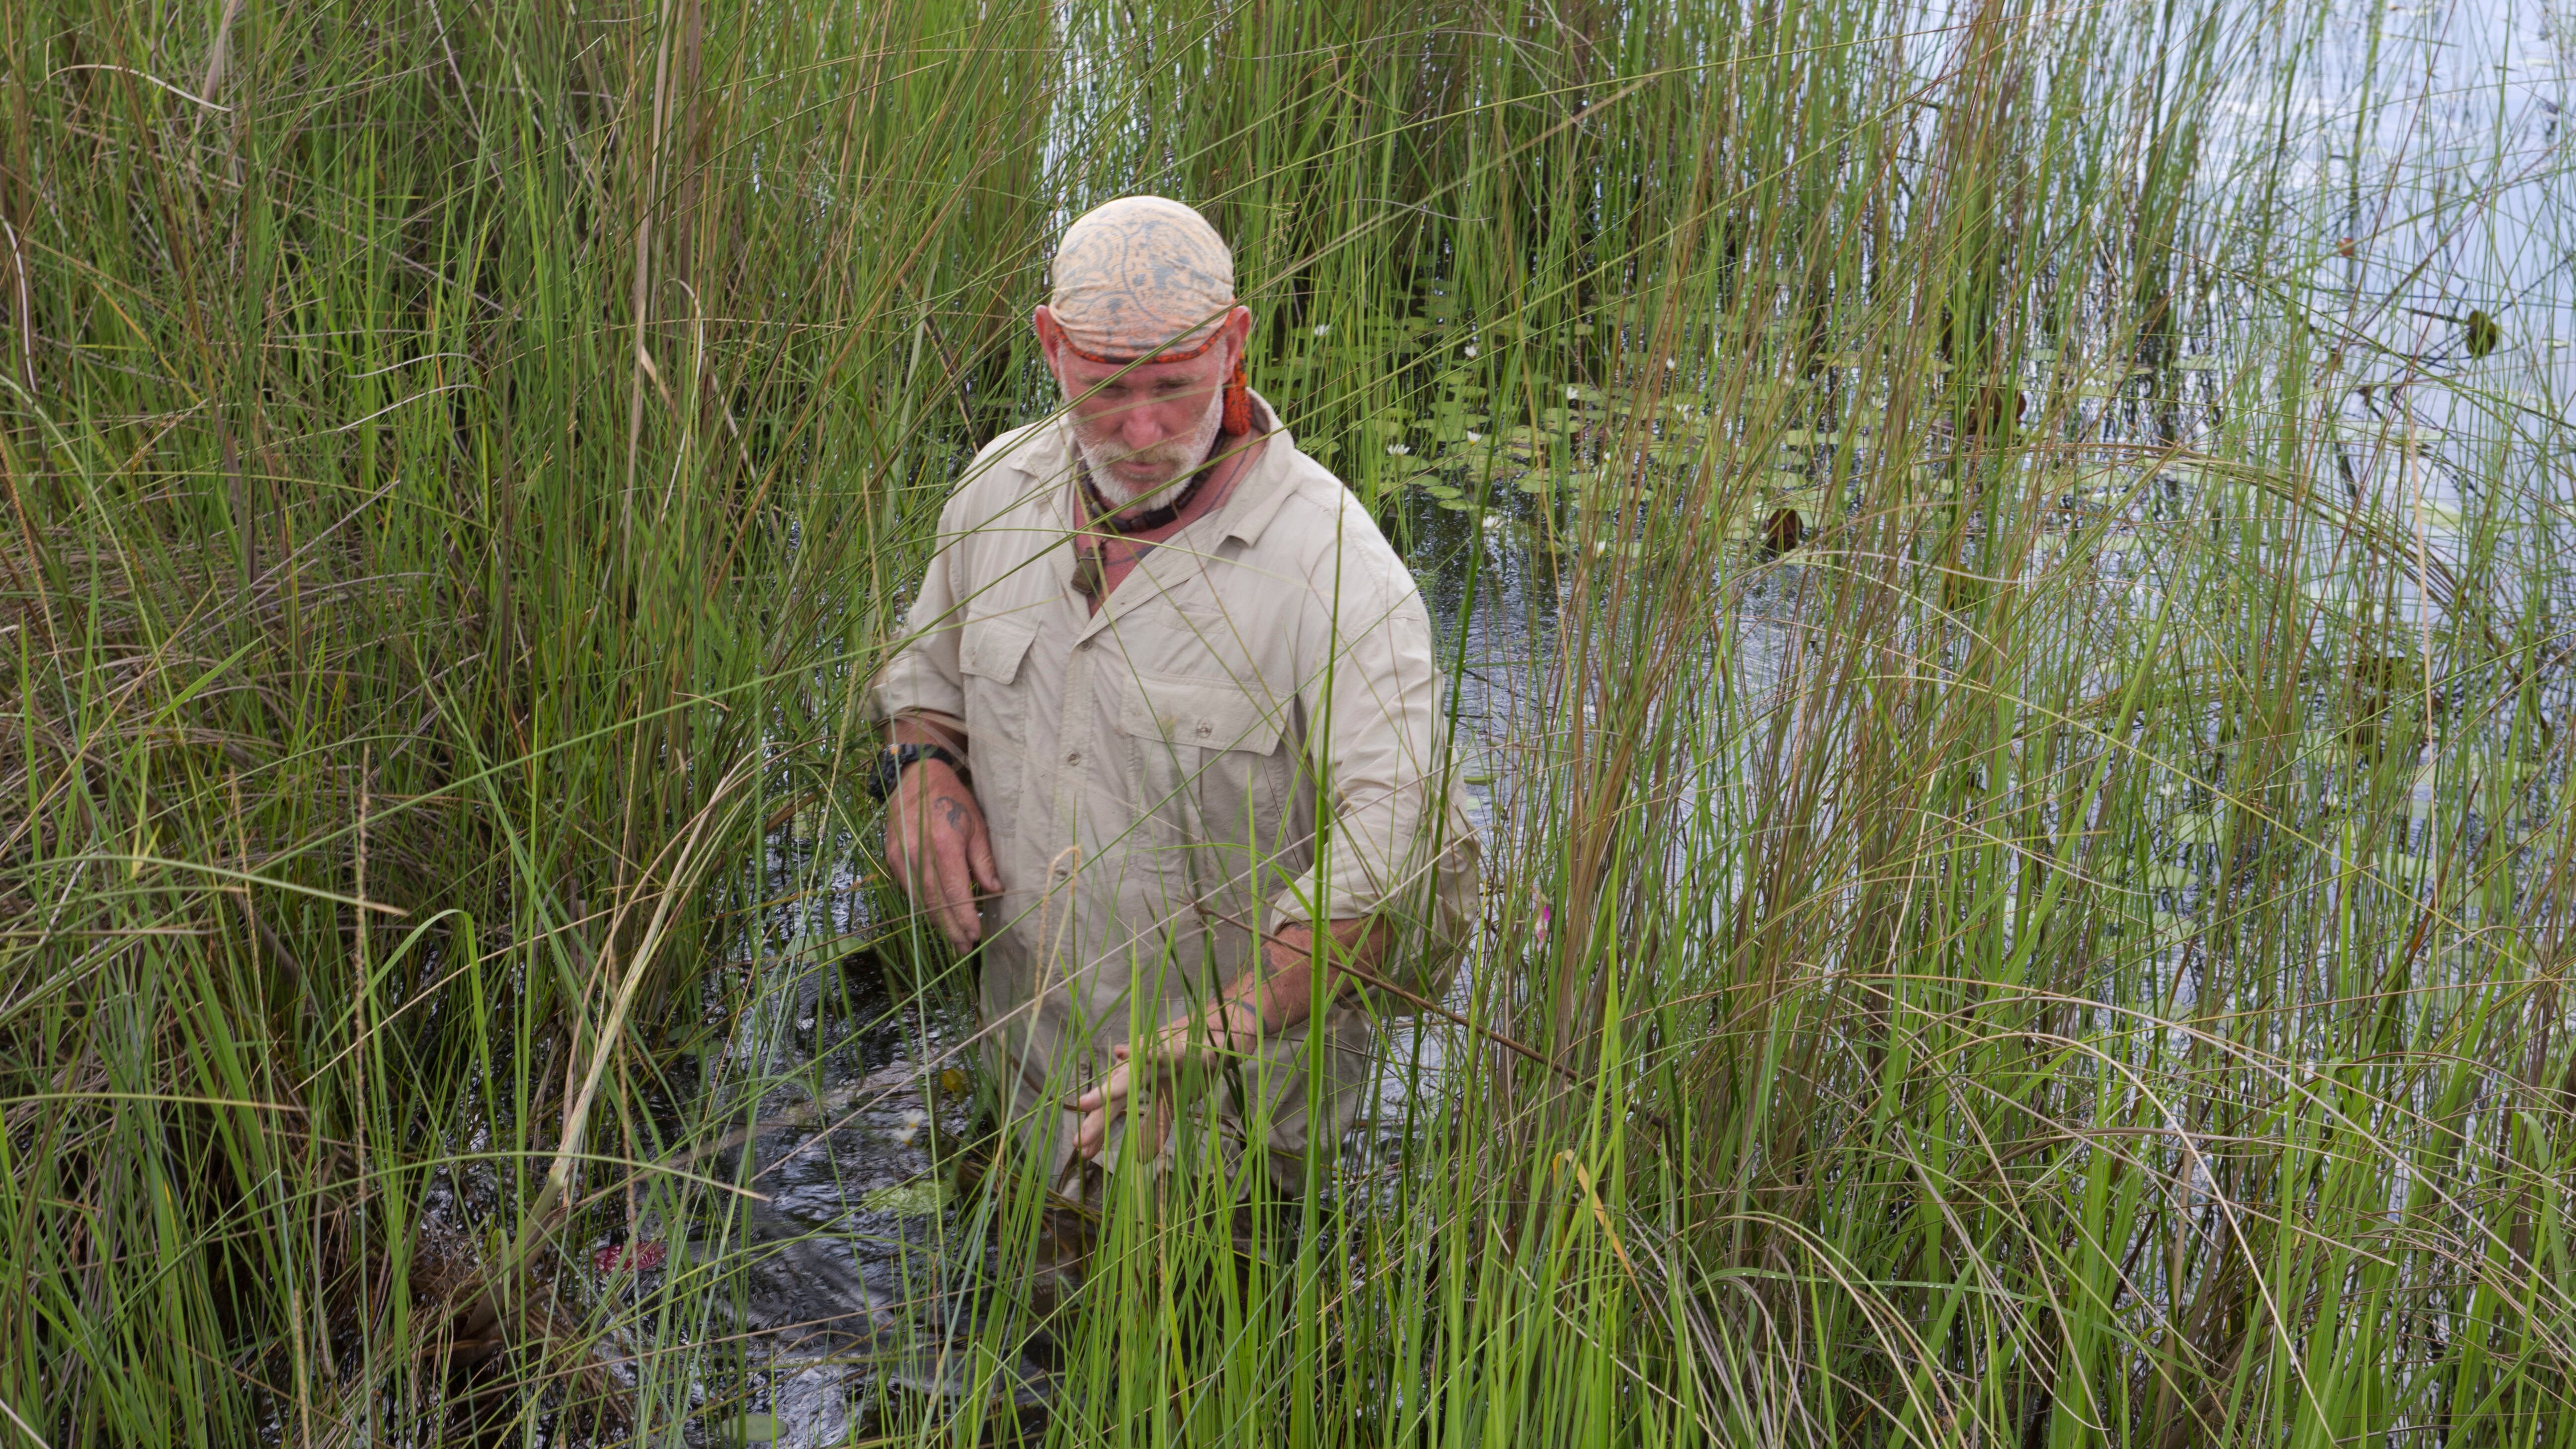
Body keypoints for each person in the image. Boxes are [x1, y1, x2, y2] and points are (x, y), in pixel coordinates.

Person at [868, 195, 1477, 1198]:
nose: (1143, 429)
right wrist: (923, 776)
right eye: (1105, 389)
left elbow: (1392, 862)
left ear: (1233, 344)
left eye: (1176, 385)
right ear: (1050, 345)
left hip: (1224, 1132)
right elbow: (925, 688)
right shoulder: (994, 494)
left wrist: (1220, 1030)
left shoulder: (1338, 575)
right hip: (1020, 1076)